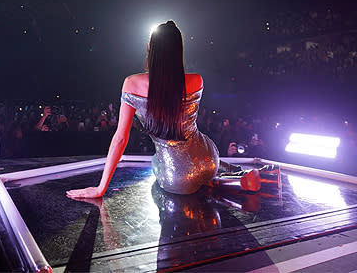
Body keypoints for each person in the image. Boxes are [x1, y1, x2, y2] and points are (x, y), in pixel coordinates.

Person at [67, 21, 260, 199]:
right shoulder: (197, 80)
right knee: (200, 161)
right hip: (209, 158)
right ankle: (233, 176)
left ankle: (224, 181)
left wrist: (101, 189)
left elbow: (120, 138)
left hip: (178, 176)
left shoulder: (132, 84)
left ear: (150, 48)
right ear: (179, 51)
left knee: (155, 161)